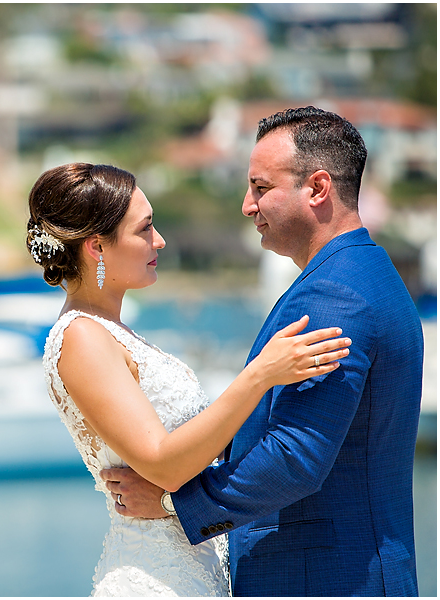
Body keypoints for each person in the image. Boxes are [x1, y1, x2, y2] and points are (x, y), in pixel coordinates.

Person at [100, 107, 424, 596]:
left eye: (260, 187)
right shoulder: (362, 274)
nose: (248, 205)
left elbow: (295, 456)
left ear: (317, 189)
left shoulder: (336, 295)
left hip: (327, 580)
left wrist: (171, 504)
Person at [28, 162, 352, 596]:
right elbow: (163, 463)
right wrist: (261, 374)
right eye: (144, 229)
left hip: (192, 565)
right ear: (96, 247)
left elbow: (191, 449)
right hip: (153, 578)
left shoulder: (112, 330)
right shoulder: (82, 337)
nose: (158, 240)